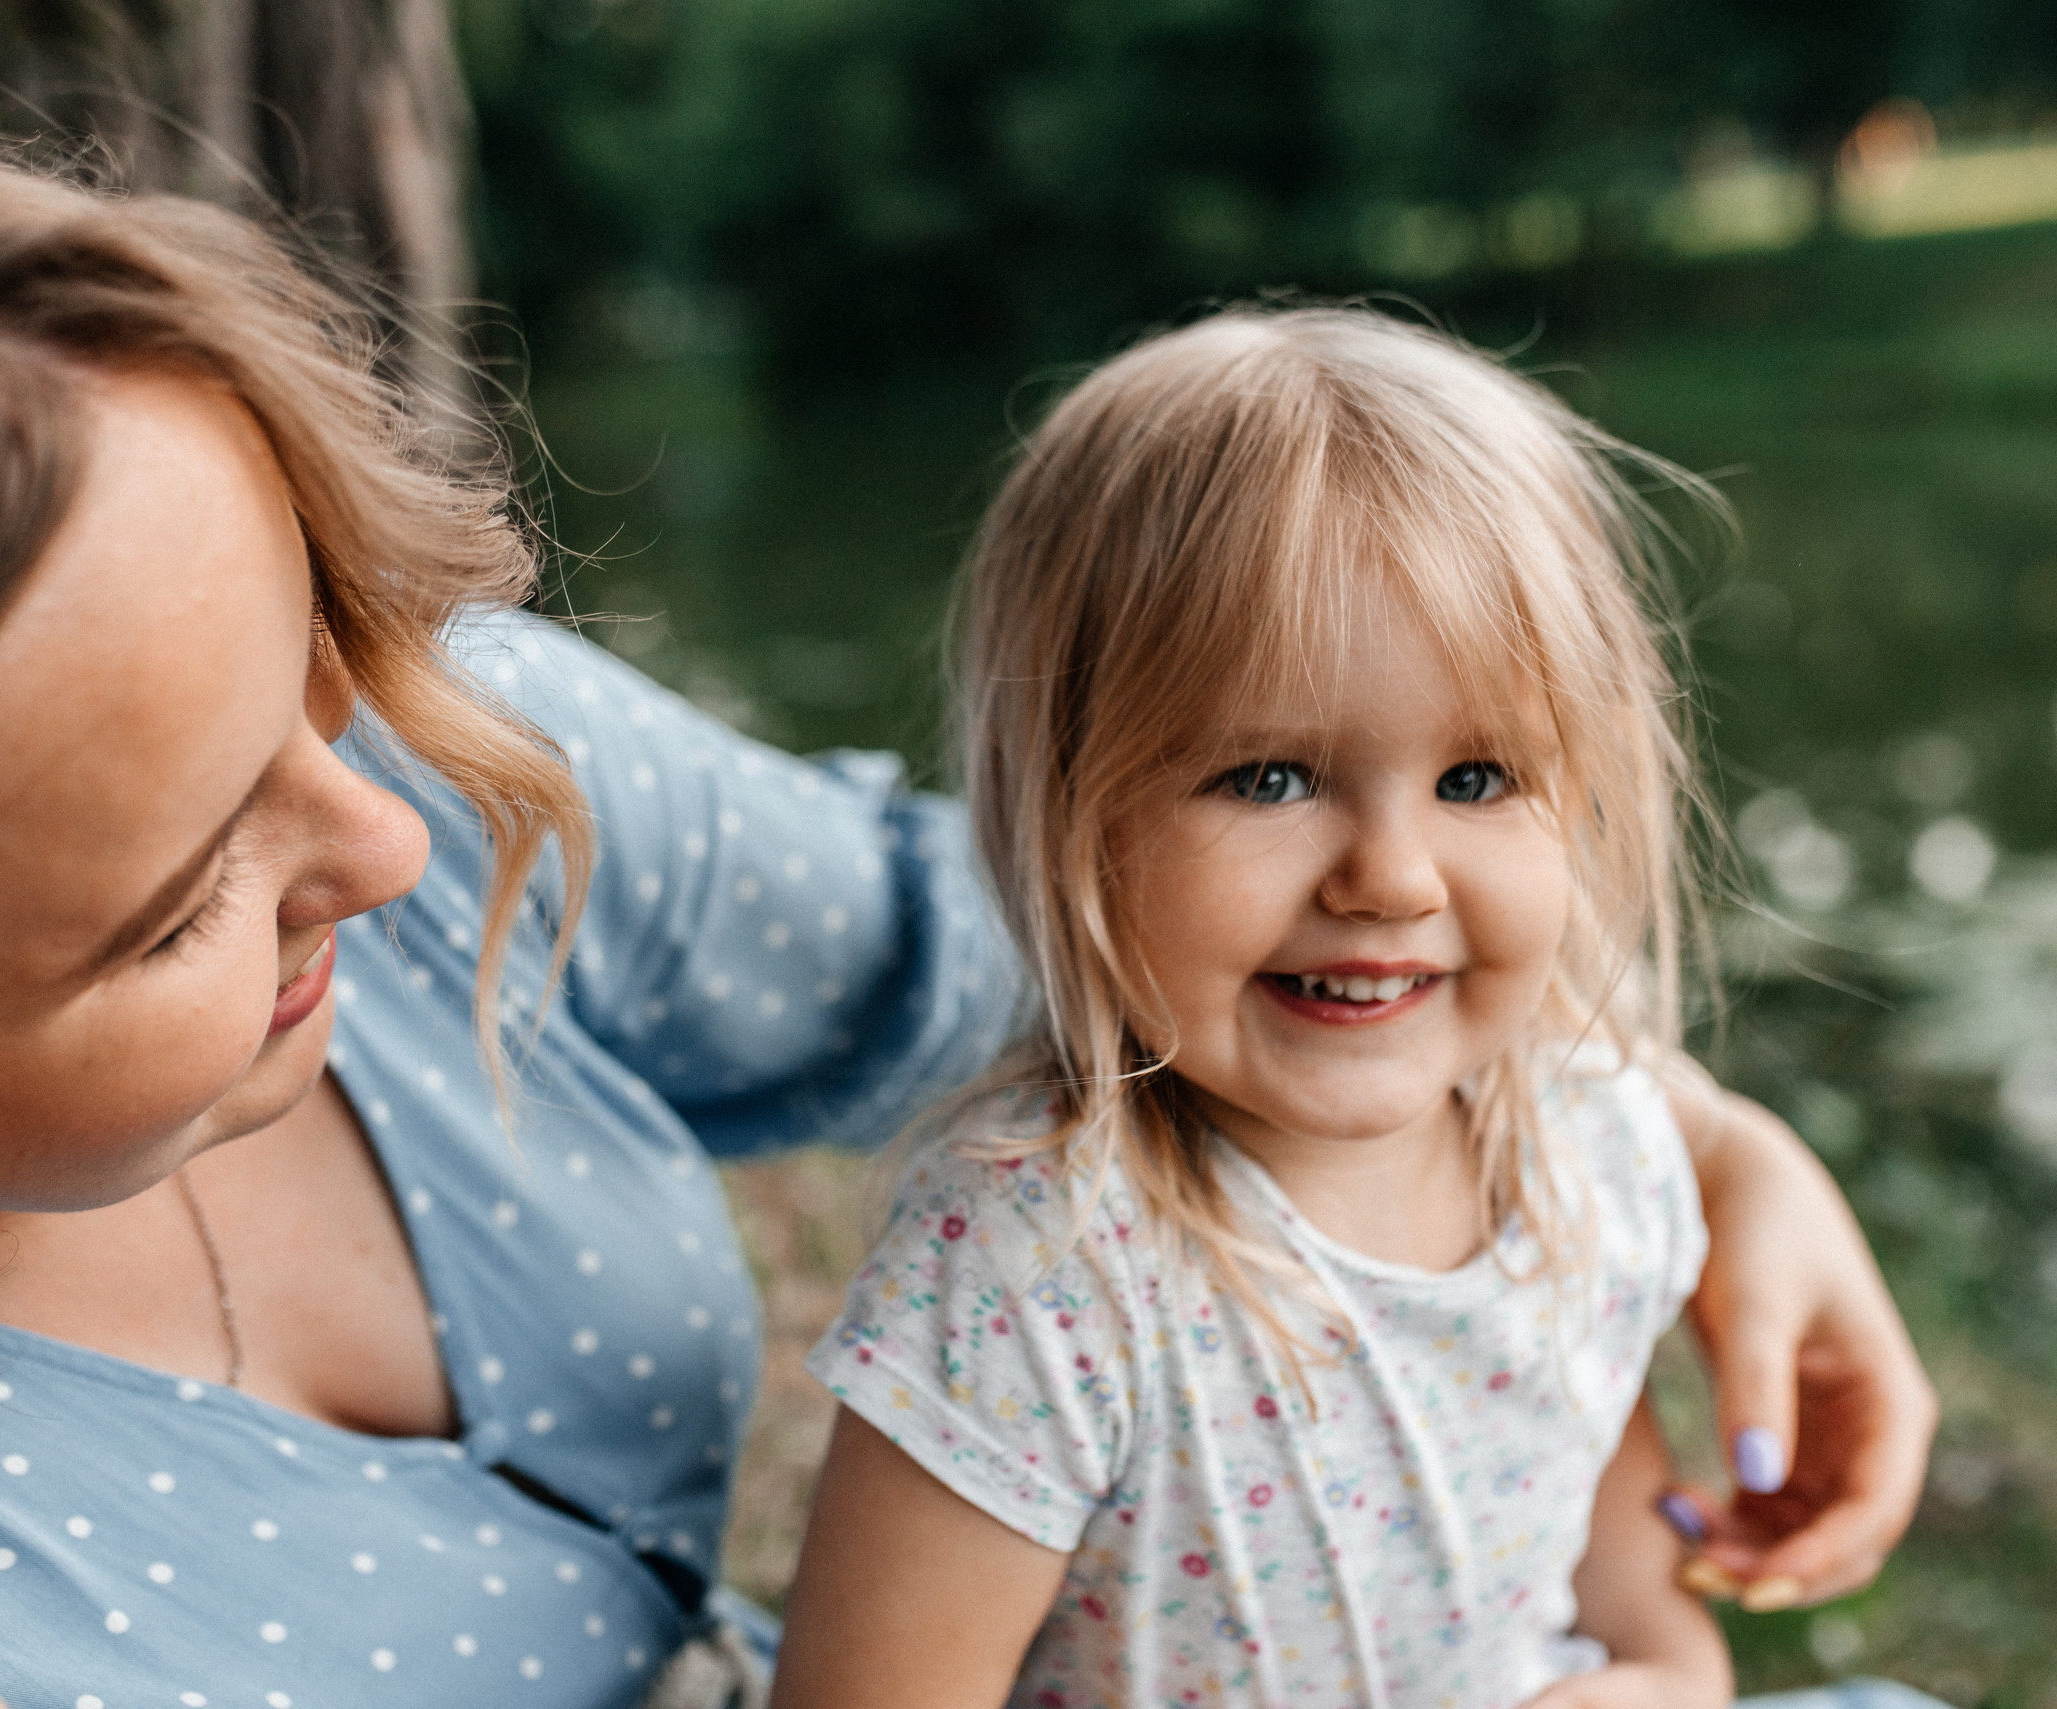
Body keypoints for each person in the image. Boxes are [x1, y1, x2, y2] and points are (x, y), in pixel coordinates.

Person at [0, 64, 1932, 1709]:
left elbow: (1144, 925)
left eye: (324, 676)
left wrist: (1696, 1142)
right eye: (166, 901)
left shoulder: (451, 775)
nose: (383, 836)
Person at [775, 309, 1944, 1709]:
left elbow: (1652, 1626)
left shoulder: (1578, 1159)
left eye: (1477, 780)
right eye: (1268, 777)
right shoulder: (1035, 1264)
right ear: (1064, 815)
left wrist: (1647, 1689)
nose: (1390, 879)